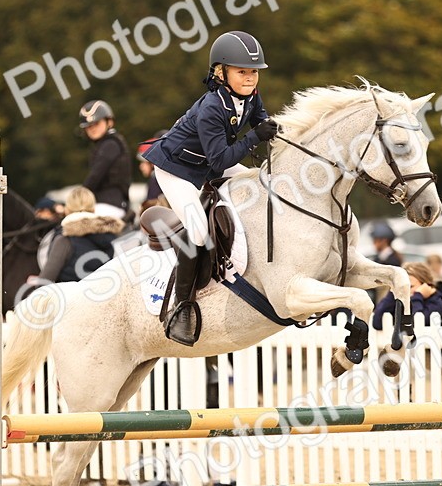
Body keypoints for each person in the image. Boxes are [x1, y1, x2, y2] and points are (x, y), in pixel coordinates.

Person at [143, 30, 277, 345]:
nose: (250, 78)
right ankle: (183, 303)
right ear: (221, 72)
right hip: (176, 170)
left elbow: (262, 120)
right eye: (242, 71)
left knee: (259, 183)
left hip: (205, 161)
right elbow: (220, 163)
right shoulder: (211, 108)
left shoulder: (251, 96)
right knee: (199, 231)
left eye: (253, 71)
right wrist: (256, 137)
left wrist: (273, 130)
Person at [34, 187, 123, 284]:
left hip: (71, 297)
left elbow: (44, 282)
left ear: (67, 210)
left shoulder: (64, 240)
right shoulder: (113, 238)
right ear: (93, 209)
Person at [78, 99, 132, 221]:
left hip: (110, 204)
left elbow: (95, 176)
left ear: (109, 122)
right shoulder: (101, 146)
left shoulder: (111, 144)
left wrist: (77, 198)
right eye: (88, 127)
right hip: (101, 204)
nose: (92, 129)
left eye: (96, 124)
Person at [372, 261, 442, 330]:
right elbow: (377, 322)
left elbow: (415, 323)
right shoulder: (401, 300)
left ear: (426, 285)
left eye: (411, 286)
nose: (406, 291)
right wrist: (394, 291)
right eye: (404, 287)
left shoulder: (437, 304)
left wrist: (418, 295)